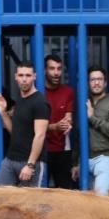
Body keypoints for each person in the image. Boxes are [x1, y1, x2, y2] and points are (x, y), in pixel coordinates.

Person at [0, 62, 50, 187]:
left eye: (28, 75)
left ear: (34, 76)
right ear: (16, 77)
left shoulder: (40, 102)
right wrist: (3, 112)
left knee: (30, 205)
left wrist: (30, 165)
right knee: (1, 200)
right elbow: (15, 132)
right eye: (21, 75)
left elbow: (40, 135)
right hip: (10, 160)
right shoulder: (20, 100)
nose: (24, 79)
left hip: (30, 163)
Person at [85, 66, 109, 196]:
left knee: (99, 199)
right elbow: (78, 133)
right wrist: (76, 162)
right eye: (93, 79)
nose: (96, 82)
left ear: (105, 83)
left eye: (99, 79)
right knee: (85, 202)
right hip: (85, 157)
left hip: (106, 157)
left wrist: (92, 118)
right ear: (88, 83)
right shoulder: (84, 102)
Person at [42, 55, 77, 189]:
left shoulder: (68, 92)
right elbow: (32, 125)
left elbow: (69, 117)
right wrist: (54, 126)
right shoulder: (38, 91)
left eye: (59, 69)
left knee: (64, 192)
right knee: (40, 192)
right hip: (42, 148)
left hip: (63, 149)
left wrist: (68, 123)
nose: (56, 72)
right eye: (52, 68)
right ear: (45, 70)